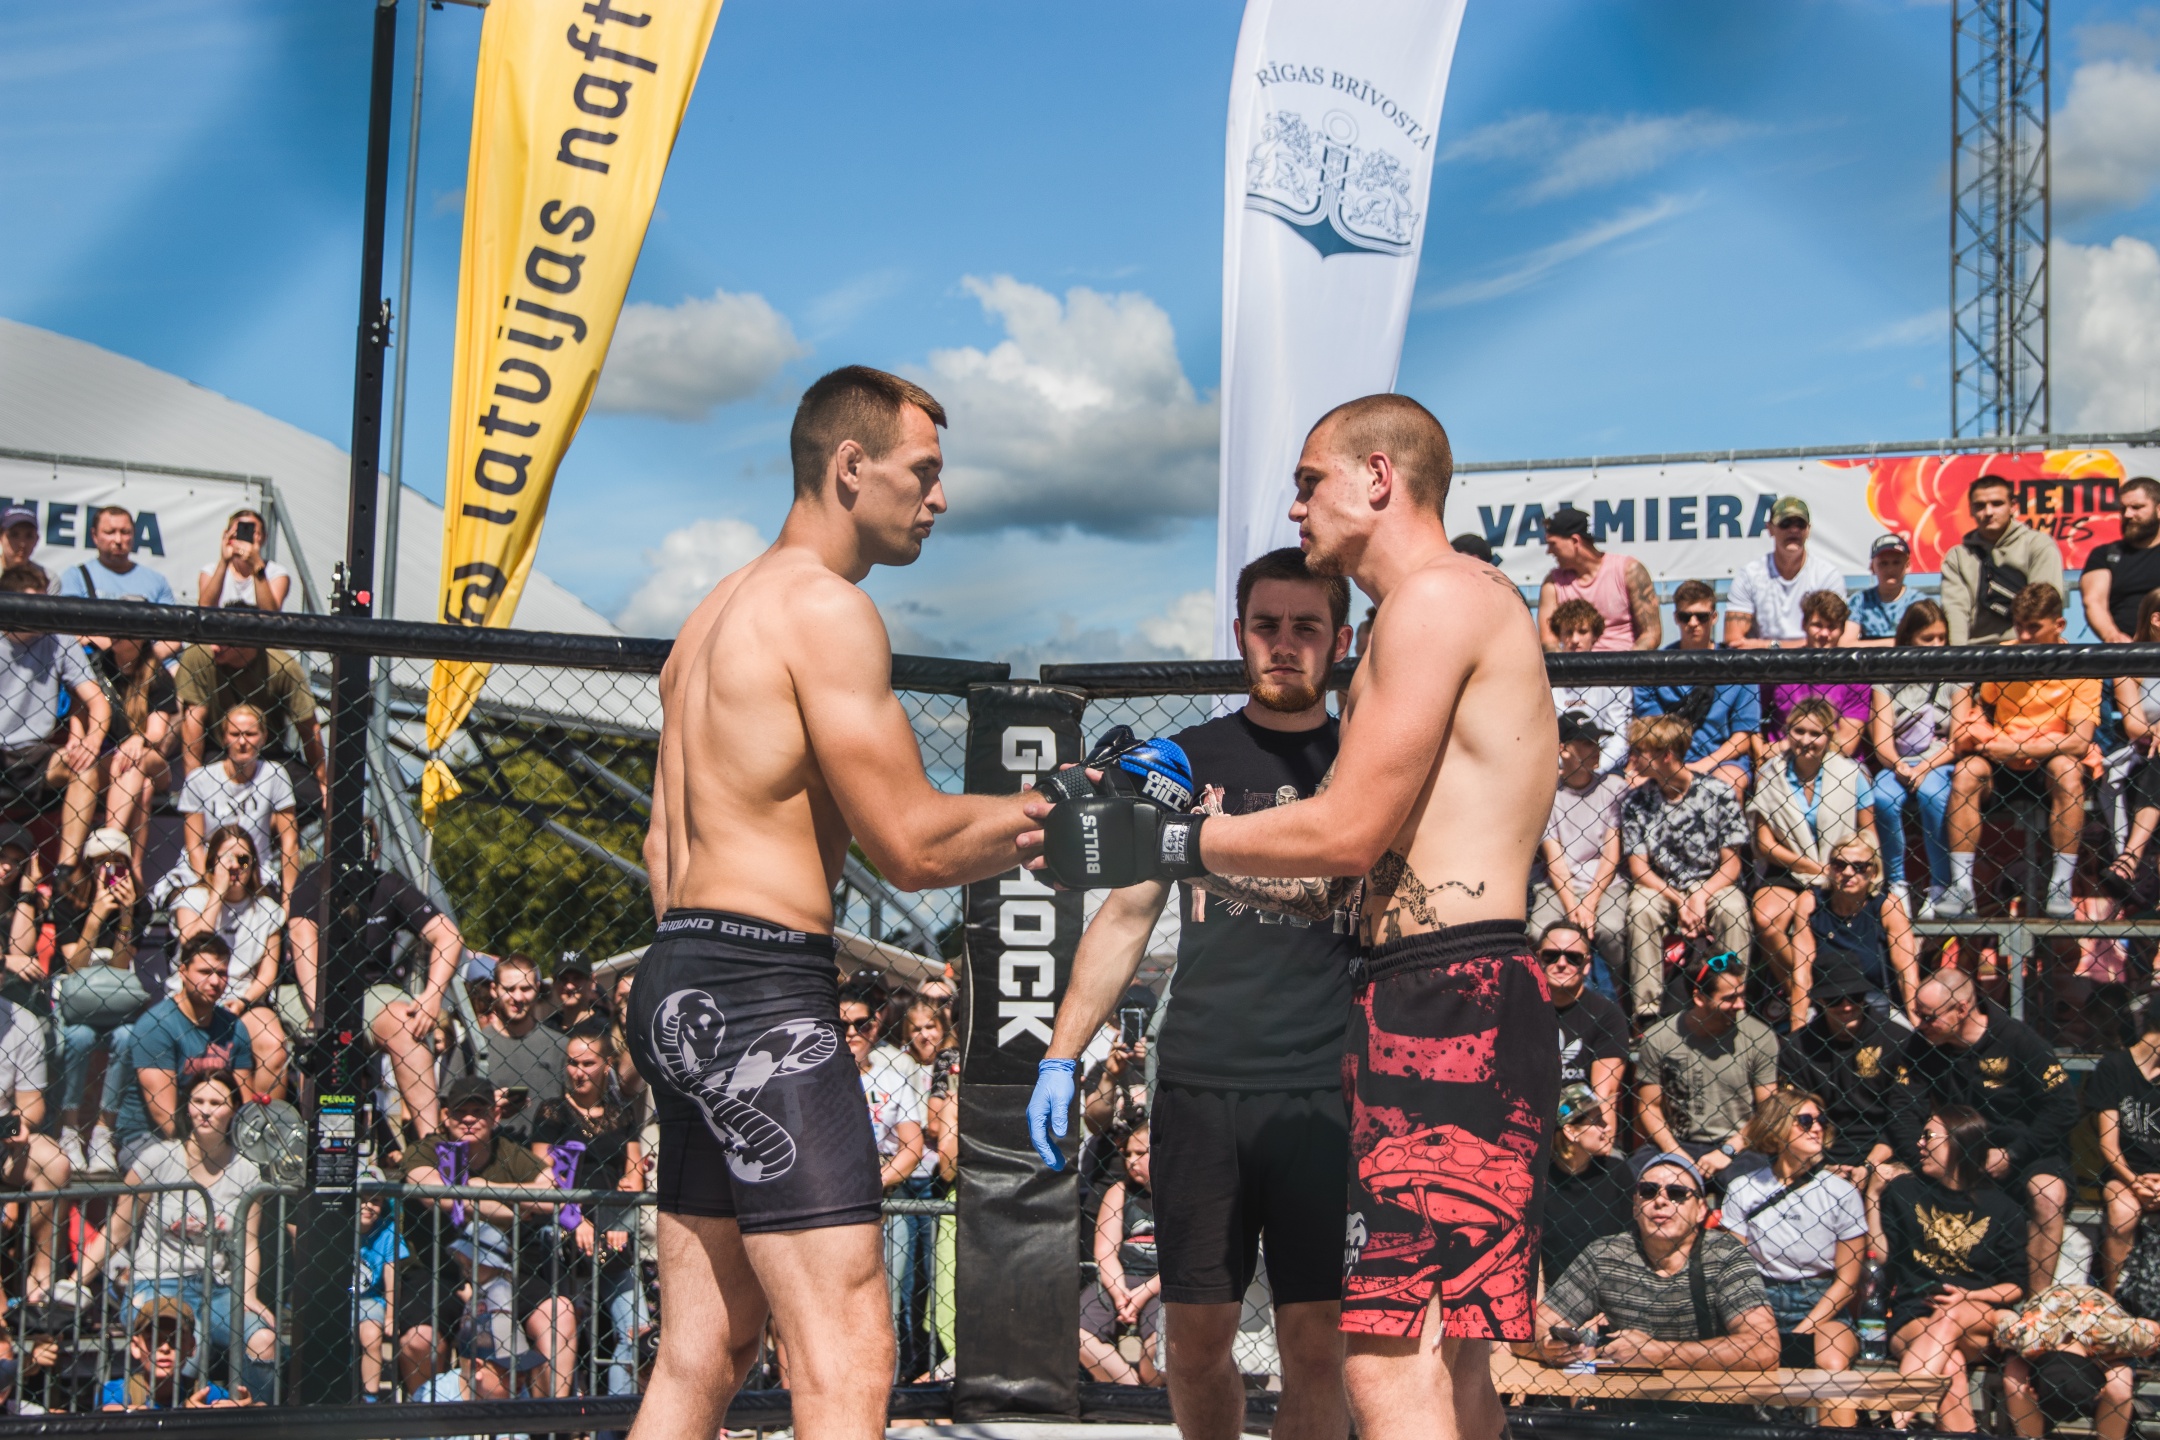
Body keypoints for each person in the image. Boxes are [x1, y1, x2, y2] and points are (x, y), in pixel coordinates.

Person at [1029, 393, 1559, 1440]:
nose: (1297, 503)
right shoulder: (1461, 607)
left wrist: (1175, 841)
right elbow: (1342, 870)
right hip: (1443, 991)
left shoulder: (1433, 601)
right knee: (1452, 1357)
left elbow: (1345, 835)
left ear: (1378, 476)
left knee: (1385, 1363)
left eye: (1311, 480)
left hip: (1442, 994)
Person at [626, 366, 1045, 1440]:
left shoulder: (707, 619)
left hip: (678, 969)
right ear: (851, 466)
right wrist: (1063, 812)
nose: (940, 498)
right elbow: (909, 844)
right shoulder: (825, 609)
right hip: (760, 983)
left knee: (702, 1353)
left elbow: (660, 843)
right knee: (847, 1350)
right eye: (924, 471)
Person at [1034, 543, 1359, 1440]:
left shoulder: (1363, 768)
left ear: (1340, 642)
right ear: (1240, 633)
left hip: (1325, 1090)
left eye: (1306, 627)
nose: (1284, 644)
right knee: (1196, 1342)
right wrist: (1062, 1055)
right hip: (1202, 1085)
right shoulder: (1186, 758)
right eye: (1266, 625)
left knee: (1317, 1344)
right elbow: (1126, 917)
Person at [81, 1071, 278, 1396]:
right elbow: (117, 1228)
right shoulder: (158, 1159)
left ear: (233, 1110)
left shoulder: (247, 1170)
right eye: (198, 1101)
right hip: (157, 1283)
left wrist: (249, 1295)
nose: (205, 1110)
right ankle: (174, 1417)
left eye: (216, 1102)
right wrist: (76, 1282)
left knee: (263, 1339)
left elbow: (249, 1242)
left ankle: (256, 1417)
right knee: (185, 1343)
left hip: (216, 1288)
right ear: (187, 1107)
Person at [1891, 967, 2075, 1294]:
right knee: (1886, 1178)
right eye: (1916, 1014)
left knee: (2048, 1194)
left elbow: (2063, 1107)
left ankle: (2037, 1303)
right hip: (1953, 1153)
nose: (1920, 1024)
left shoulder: (2018, 1041)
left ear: (1962, 1009)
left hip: (2022, 1150)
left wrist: (2013, 1154)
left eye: (1929, 1016)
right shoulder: (1921, 1045)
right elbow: (1902, 1110)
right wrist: (1922, 1159)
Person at [392, 1075, 576, 1402]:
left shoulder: (508, 1151)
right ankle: (429, 1420)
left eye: (479, 1111)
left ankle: (551, 1421)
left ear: (495, 1115)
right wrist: (516, 1208)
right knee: (418, 1340)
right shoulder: (428, 1149)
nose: (469, 1118)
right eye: (460, 1111)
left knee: (560, 1312)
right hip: (440, 1271)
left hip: (507, 1271)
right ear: (445, 1116)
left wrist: (478, 1190)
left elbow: (554, 1195)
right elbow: (436, 1194)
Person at [1532, 1152, 1779, 1372]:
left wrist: (1661, 1354)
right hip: (1625, 1402)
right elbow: (1532, 1330)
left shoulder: (1726, 1254)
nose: (1660, 1200)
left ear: (1701, 1210)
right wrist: (1547, 1346)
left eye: (1677, 1193)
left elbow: (1765, 1347)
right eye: (1648, 1191)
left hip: (1713, 1403)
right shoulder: (1606, 1254)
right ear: (1635, 1207)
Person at [1940, 582, 2099, 919]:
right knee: (1966, 772)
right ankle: (1962, 886)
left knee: (2068, 771)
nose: (2024, 636)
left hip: (2048, 765)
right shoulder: (2004, 654)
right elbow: (1985, 708)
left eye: (2034, 627)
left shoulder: (2082, 664)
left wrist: (2018, 747)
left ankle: (2060, 885)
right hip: (2000, 763)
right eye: (2019, 626)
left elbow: (2079, 741)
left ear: (2059, 625)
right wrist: (1983, 735)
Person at [286, 853, 463, 1140]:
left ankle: (430, 1144)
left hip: (369, 988)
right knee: (320, 1041)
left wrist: (433, 995)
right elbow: (302, 940)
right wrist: (324, 1013)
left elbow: (449, 936)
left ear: (375, 850)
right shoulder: (313, 879)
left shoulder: (386, 884)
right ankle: (306, 1143)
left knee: (408, 1025)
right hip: (310, 987)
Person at [1880, 1105, 2028, 1434]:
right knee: (1951, 1365)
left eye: (1928, 1136)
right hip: (1914, 1316)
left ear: (1958, 1143)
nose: (1919, 1143)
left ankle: (1892, 1425)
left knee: (1950, 1315)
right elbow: (1880, 1254)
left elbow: (2016, 1286)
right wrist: (1872, 1196)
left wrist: (1967, 1295)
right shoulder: (1904, 1192)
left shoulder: (2003, 1208)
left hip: (1977, 1317)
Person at [1722, 1088, 1866, 1418]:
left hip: (1822, 1302)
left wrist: (1803, 1332)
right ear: (1777, 1127)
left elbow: (1847, 1281)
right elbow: (1735, 1268)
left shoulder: (1841, 1192)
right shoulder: (1744, 1188)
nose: (1817, 1128)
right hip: (1760, 1299)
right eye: (1805, 1121)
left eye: (1821, 1120)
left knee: (1831, 1364)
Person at [530, 1030, 650, 1398]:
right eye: (572, 1062)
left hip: (613, 1230)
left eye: (587, 1063)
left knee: (637, 1331)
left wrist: (618, 1219)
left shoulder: (620, 1114)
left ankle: (616, 1420)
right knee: (566, 1330)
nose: (578, 1071)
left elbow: (633, 1173)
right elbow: (543, 1174)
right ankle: (562, 1418)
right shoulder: (552, 1111)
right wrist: (574, 1218)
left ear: (606, 1065)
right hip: (563, 1230)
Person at [1749, 698, 1877, 1022]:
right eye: (1798, 731)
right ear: (1787, 732)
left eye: (1815, 733)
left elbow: (1868, 833)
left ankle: (1818, 995)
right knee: (1766, 919)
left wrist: (1849, 869)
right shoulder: (1770, 773)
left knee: (1813, 918)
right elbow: (1764, 844)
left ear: (1829, 736)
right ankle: (1804, 996)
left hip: (1842, 866)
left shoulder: (1851, 773)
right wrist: (1812, 868)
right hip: (1789, 865)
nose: (1806, 740)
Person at [1619, 715, 1750, 1026]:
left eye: (1639, 751)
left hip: (1712, 881)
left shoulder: (1718, 793)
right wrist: (1680, 900)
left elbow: (1731, 864)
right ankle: (1647, 1012)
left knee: (1733, 910)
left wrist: (1700, 896)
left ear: (1666, 755)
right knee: (1641, 909)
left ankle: (1732, 1001)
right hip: (1661, 884)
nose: (1631, 759)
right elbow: (1639, 868)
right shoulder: (1637, 801)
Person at [1780, 962, 1908, 1240]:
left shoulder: (1897, 1040)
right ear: (1820, 1001)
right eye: (1835, 999)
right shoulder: (1796, 1047)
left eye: (1856, 997)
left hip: (1885, 1149)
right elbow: (1791, 1116)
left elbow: (1904, 1116)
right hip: (1819, 1152)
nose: (1847, 1006)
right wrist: (1821, 1167)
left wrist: (1869, 1166)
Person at [46, 827, 152, 1159]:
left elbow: (121, 966)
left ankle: (104, 1131)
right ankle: (70, 1128)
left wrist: (126, 915)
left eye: (117, 862)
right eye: (102, 862)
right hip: (76, 1000)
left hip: (115, 1001)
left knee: (128, 1037)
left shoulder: (138, 904)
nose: (109, 870)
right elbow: (73, 966)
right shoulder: (67, 896)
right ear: (88, 864)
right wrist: (95, 916)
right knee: (78, 1037)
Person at [113, 936, 259, 1170]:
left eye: (221, 973)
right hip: (149, 1137)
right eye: (205, 972)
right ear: (183, 972)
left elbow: (244, 1105)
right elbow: (166, 1118)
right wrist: (208, 1155)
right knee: (174, 1167)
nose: (215, 981)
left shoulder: (233, 1027)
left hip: (216, 1136)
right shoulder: (156, 1026)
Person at [1635, 953, 1779, 1186]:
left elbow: (1768, 1108)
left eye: (1742, 995)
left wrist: (1728, 1150)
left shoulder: (1760, 1037)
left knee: (1748, 1184)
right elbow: (1649, 1106)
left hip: (1739, 1143)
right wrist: (1674, 1152)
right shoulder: (1658, 1038)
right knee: (1636, 1175)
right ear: (1700, 998)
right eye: (1730, 998)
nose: (1741, 1005)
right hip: (1679, 1142)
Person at [0, 563, 109, 866]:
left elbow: (97, 702)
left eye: (43, 602)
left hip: (34, 753)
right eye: (32, 604)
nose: (41, 612)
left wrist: (91, 741)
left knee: (84, 768)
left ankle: (66, 870)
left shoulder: (59, 639)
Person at [170, 826, 287, 1101]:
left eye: (243, 860)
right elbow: (192, 947)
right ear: (212, 861)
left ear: (253, 865)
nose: (235, 866)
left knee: (275, 1046)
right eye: (226, 859)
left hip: (243, 998)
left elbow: (267, 973)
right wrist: (218, 893)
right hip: (193, 994)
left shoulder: (267, 909)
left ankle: (260, 1120)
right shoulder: (192, 899)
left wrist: (243, 1002)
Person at [1869, 600, 1961, 909]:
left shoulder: (1956, 675)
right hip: (1898, 762)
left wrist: (1925, 767)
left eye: (1941, 638)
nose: (1936, 645)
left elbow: (1958, 740)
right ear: (1909, 639)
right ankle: (1896, 883)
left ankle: (1940, 884)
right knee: (1882, 797)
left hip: (1940, 761)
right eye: (1927, 638)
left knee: (1932, 795)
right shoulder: (1887, 678)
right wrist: (1899, 766)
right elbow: (1882, 740)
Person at [173, 618, 325, 800]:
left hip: (269, 753)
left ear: (247, 642)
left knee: (310, 795)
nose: (214, 647)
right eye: (213, 639)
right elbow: (193, 719)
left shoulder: (282, 666)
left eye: (223, 642)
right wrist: (193, 784)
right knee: (207, 790)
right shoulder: (199, 656)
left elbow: (309, 728)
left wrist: (323, 782)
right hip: (220, 750)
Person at [1633, 578, 1760, 796]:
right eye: (1685, 616)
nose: (1693, 623)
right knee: (1633, 785)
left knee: (1729, 784)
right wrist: (1674, 768)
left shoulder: (1738, 666)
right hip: (1663, 759)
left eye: (1701, 616)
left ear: (1714, 617)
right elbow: (1650, 730)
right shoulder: (1654, 667)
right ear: (1676, 618)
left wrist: (1703, 765)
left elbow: (1743, 737)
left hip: (1722, 761)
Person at [1531, 714, 1628, 988]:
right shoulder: (1549, 791)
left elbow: (1611, 855)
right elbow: (1554, 859)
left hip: (1606, 884)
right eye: (1586, 743)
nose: (1595, 749)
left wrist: (1589, 902)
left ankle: (1620, 992)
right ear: (1563, 748)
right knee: (1539, 931)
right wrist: (1573, 906)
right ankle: (1546, 994)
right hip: (1560, 885)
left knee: (1610, 930)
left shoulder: (1613, 787)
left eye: (1596, 742)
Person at [1996, 1283, 2160, 1440]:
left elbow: (2154, 1336)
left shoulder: (2111, 1334)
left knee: (2119, 1386)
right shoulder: (2025, 1337)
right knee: (2014, 1375)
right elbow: (1999, 1317)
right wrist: (2103, 1357)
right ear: (2099, 1392)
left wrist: (2104, 1355)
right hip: (2054, 1306)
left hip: (2093, 1306)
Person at [176, 705, 296, 898]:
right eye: (234, 734)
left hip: (255, 870)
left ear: (264, 737)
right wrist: (210, 885)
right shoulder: (200, 779)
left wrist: (288, 897)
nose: (242, 742)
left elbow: (290, 842)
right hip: (205, 869)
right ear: (224, 737)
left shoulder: (274, 775)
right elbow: (194, 845)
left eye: (250, 734)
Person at [85, 631, 179, 876]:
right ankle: (132, 868)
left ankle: (109, 846)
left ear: (141, 638)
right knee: (143, 788)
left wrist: (139, 738)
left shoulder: (157, 674)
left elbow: (157, 732)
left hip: (151, 759)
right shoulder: (98, 666)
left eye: (124, 632)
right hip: (111, 760)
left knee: (135, 761)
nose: (114, 635)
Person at [2084, 996, 2160, 1289]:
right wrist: (2135, 1182)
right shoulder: (2114, 1067)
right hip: (2125, 1174)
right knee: (2122, 1213)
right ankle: (2116, 1298)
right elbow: (2109, 1145)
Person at [1940, 473, 2065, 647]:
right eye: (1980, 506)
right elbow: (1955, 612)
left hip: (2029, 649)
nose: (1988, 512)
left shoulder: (2038, 545)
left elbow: (2045, 608)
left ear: (2013, 506)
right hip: (1976, 654)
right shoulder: (1957, 556)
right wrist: (1958, 659)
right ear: (1971, 510)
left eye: (1997, 504)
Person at [0, 985, 69, 1299]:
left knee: (53, 1161)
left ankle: (40, 1282)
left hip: (3, 1138)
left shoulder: (22, 1022)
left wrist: (20, 1123)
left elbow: (32, 1103)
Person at [1080, 1122, 1162, 1386]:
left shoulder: (1182, 1196)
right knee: (1078, 1334)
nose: (1131, 1160)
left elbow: (1183, 1260)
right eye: (1127, 1154)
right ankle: (1133, 1390)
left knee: (1162, 1343)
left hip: (1163, 1282)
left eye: (1140, 1153)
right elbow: (1105, 1252)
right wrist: (1120, 1294)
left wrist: (1142, 1295)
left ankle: (1149, 1383)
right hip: (1120, 1278)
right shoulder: (1119, 1191)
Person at [1806, 836, 1918, 1015]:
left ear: (1873, 873)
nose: (1848, 872)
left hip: (1877, 1008)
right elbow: (1801, 974)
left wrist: (1915, 1021)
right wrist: (1798, 1024)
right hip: (1826, 1008)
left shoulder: (1887, 906)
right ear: (1830, 869)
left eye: (1859, 867)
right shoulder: (1812, 902)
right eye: (1839, 865)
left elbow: (1906, 972)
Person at [1723, 496, 1850, 648]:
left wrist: (1767, 646)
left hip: (1812, 660)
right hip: (1763, 662)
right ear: (1770, 528)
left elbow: (1834, 638)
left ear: (1808, 530)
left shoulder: (1827, 575)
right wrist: (1787, 647)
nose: (1794, 530)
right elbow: (1733, 640)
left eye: (1800, 524)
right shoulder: (1749, 575)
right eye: (1785, 523)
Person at [1539, 1084, 1632, 1286]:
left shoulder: (1617, 1173)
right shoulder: (1540, 1182)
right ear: (1571, 1131)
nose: (1608, 1127)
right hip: (1555, 1295)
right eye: (1597, 1121)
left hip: (1613, 1290)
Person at [1762, 590, 1870, 757]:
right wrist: (1762, 752)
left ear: (1842, 630)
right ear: (1804, 624)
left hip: (1836, 761)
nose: (1824, 634)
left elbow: (1846, 744)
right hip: (1782, 760)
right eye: (1818, 625)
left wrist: (1786, 745)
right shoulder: (1780, 667)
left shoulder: (1855, 675)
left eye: (1832, 627)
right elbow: (1750, 723)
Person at [1536, 507, 1658, 652]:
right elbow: (1548, 640)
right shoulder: (1552, 583)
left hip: (1627, 662)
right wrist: (1571, 664)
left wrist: (1626, 663)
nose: (1549, 551)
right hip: (1573, 665)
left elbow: (1651, 633)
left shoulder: (1629, 571)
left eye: (1552, 544)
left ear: (1575, 541)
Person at [482, 955, 570, 1145]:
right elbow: (448, 1111)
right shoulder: (474, 1045)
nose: (518, 997)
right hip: (489, 1154)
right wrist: (487, 1108)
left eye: (525, 988)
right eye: (509, 989)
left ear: (537, 988)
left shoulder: (560, 1046)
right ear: (494, 989)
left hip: (549, 1155)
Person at [1537, 924, 1626, 1109]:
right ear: (1538, 959)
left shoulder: (1607, 1014)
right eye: (1551, 955)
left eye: (1573, 958)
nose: (1561, 963)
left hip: (1582, 1118)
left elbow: (1603, 1099)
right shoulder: (1517, 1009)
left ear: (1586, 965)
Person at [2107, 589, 2160, 890]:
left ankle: (2130, 857)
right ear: (2157, 620)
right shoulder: (2132, 664)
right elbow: (2134, 725)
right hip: (2146, 757)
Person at [97, 1300, 237, 1410]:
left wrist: (243, 1408)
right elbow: (110, 1411)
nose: (164, 1348)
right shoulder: (118, 1391)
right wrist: (186, 1412)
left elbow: (232, 1405)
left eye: (175, 1339)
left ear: (191, 1346)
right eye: (153, 1340)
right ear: (135, 1346)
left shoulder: (203, 1391)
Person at [1546, 602, 1630, 772]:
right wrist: (1568, 767)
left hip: (1604, 769)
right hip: (1557, 770)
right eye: (1568, 632)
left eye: (1582, 631)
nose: (1575, 640)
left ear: (1595, 635)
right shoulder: (1545, 680)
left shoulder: (1614, 679)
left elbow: (1620, 737)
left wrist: (1594, 770)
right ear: (1559, 636)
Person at [2080, 476, 2160, 644]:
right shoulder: (2104, 555)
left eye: (2136, 507)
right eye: (2123, 509)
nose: (2128, 514)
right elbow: (2093, 601)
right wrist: (2113, 636)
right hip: (2123, 653)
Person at [353, 1193, 409, 1401]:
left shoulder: (388, 1232)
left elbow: (392, 1276)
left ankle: (370, 1398)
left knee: (371, 1337)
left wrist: (391, 1316)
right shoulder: (337, 1223)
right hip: (338, 1298)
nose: (367, 1206)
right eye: (361, 1199)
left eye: (375, 1200)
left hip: (370, 1298)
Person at [56, 507, 175, 605]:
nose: (118, 540)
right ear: (94, 535)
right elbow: (69, 623)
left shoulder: (158, 582)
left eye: (125, 532)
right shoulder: (76, 577)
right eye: (110, 532)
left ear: (134, 534)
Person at [195, 510, 289, 612]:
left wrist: (257, 565)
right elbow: (205, 608)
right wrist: (224, 562)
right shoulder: (211, 571)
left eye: (252, 532)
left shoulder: (275, 573)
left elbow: (270, 613)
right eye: (239, 531)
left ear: (263, 537)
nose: (244, 536)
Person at [1851, 533, 1919, 644]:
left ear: (1908, 566)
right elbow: (1846, 644)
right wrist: (1897, 644)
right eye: (1883, 563)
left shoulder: (1919, 602)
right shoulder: (1859, 601)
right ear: (1872, 567)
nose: (1890, 569)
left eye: (1896, 562)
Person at [543, 954, 597, 1034]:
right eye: (563, 979)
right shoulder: (546, 1029)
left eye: (577, 978)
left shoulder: (603, 1028)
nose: (569, 987)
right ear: (554, 983)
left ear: (592, 981)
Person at [0, 508, 42, 581]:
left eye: (29, 536)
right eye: (14, 535)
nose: (22, 544)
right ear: (1, 537)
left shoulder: (47, 578)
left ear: (37, 539)